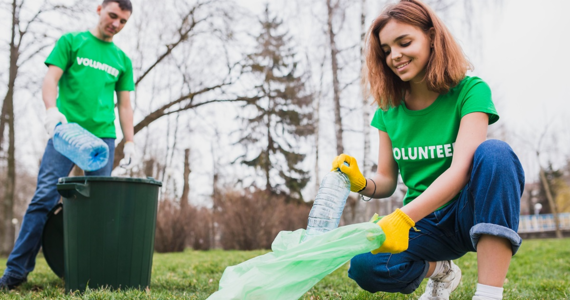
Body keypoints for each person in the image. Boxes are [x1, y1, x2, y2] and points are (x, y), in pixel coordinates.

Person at [331, 1, 524, 300]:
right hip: (425, 223)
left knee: (496, 154)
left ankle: (488, 294)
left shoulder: (471, 91)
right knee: (364, 266)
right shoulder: (388, 110)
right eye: (386, 49)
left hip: (467, 211)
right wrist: (362, 184)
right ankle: (442, 271)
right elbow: (386, 180)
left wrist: (403, 218)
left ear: (432, 37)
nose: (395, 55)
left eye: (404, 42)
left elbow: (461, 170)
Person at [0, 0, 137, 290]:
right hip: (67, 135)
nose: (116, 24)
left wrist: (131, 141)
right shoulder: (72, 42)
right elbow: (51, 80)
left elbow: (125, 105)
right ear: (99, 10)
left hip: (103, 140)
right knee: (44, 199)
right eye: (113, 16)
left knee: (98, 209)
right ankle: (16, 272)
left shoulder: (122, 59)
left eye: (123, 21)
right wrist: (52, 111)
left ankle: (92, 271)